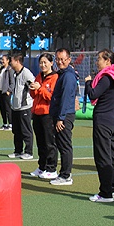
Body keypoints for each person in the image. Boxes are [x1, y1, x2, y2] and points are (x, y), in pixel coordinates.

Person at [84, 49, 114, 202]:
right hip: (112, 120)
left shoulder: (107, 78)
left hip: (103, 120)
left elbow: (93, 94)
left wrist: (88, 82)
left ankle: (105, 192)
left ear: (108, 61)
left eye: (99, 59)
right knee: (113, 155)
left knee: (103, 156)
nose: (97, 62)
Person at [49, 48, 77, 186]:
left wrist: (61, 117)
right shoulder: (62, 74)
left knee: (65, 145)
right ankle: (64, 173)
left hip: (65, 116)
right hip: (61, 114)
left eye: (62, 59)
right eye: (58, 59)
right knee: (61, 144)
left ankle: (66, 175)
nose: (60, 62)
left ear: (69, 59)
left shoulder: (68, 76)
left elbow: (66, 98)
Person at [28, 53, 58, 179]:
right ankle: (42, 167)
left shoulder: (55, 77)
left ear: (51, 63)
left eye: (45, 62)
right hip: (37, 113)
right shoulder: (39, 76)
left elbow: (52, 97)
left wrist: (40, 88)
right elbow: (34, 95)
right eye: (41, 63)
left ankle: (51, 168)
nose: (43, 65)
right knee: (40, 142)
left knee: (49, 142)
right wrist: (33, 88)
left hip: (48, 114)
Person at [7, 52, 34, 160]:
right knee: (16, 130)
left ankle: (29, 151)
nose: (10, 63)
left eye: (11, 61)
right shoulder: (14, 73)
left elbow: (33, 85)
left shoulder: (26, 73)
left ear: (17, 61)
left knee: (26, 130)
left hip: (25, 107)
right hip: (15, 107)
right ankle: (18, 150)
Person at [0, 54, 12, 130]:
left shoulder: (10, 69)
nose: (2, 61)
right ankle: (5, 123)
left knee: (7, 108)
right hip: (0, 91)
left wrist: (9, 90)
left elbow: (12, 82)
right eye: (1, 59)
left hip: (6, 92)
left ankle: (11, 124)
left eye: (3, 59)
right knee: (2, 108)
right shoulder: (1, 69)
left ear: (8, 60)